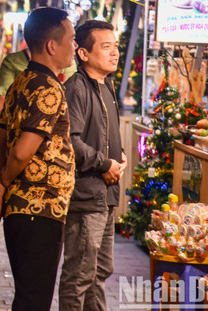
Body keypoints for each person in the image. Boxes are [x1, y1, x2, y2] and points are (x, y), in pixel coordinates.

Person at [0, 7, 76, 311]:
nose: (73, 47)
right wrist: (7, 180)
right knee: (34, 298)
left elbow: (0, 138)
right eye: (71, 39)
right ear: (52, 45)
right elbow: (22, 150)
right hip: (40, 207)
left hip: (20, 208)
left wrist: (1, 190)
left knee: (27, 294)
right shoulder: (48, 87)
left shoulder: (20, 81)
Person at [59, 20, 127, 311]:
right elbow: (69, 139)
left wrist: (118, 153)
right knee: (79, 277)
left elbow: (100, 133)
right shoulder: (76, 87)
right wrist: (104, 163)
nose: (114, 53)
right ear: (83, 53)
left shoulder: (106, 85)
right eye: (106, 46)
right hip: (86, 196)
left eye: (116, 46)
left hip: (105, 195)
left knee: (99, 272)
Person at [0, 45, 77, 113]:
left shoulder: (68, 64)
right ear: (51, 44)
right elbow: (0, 105)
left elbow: (71, 105)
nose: (75, 45)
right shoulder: (13, 61)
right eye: (70, 39)